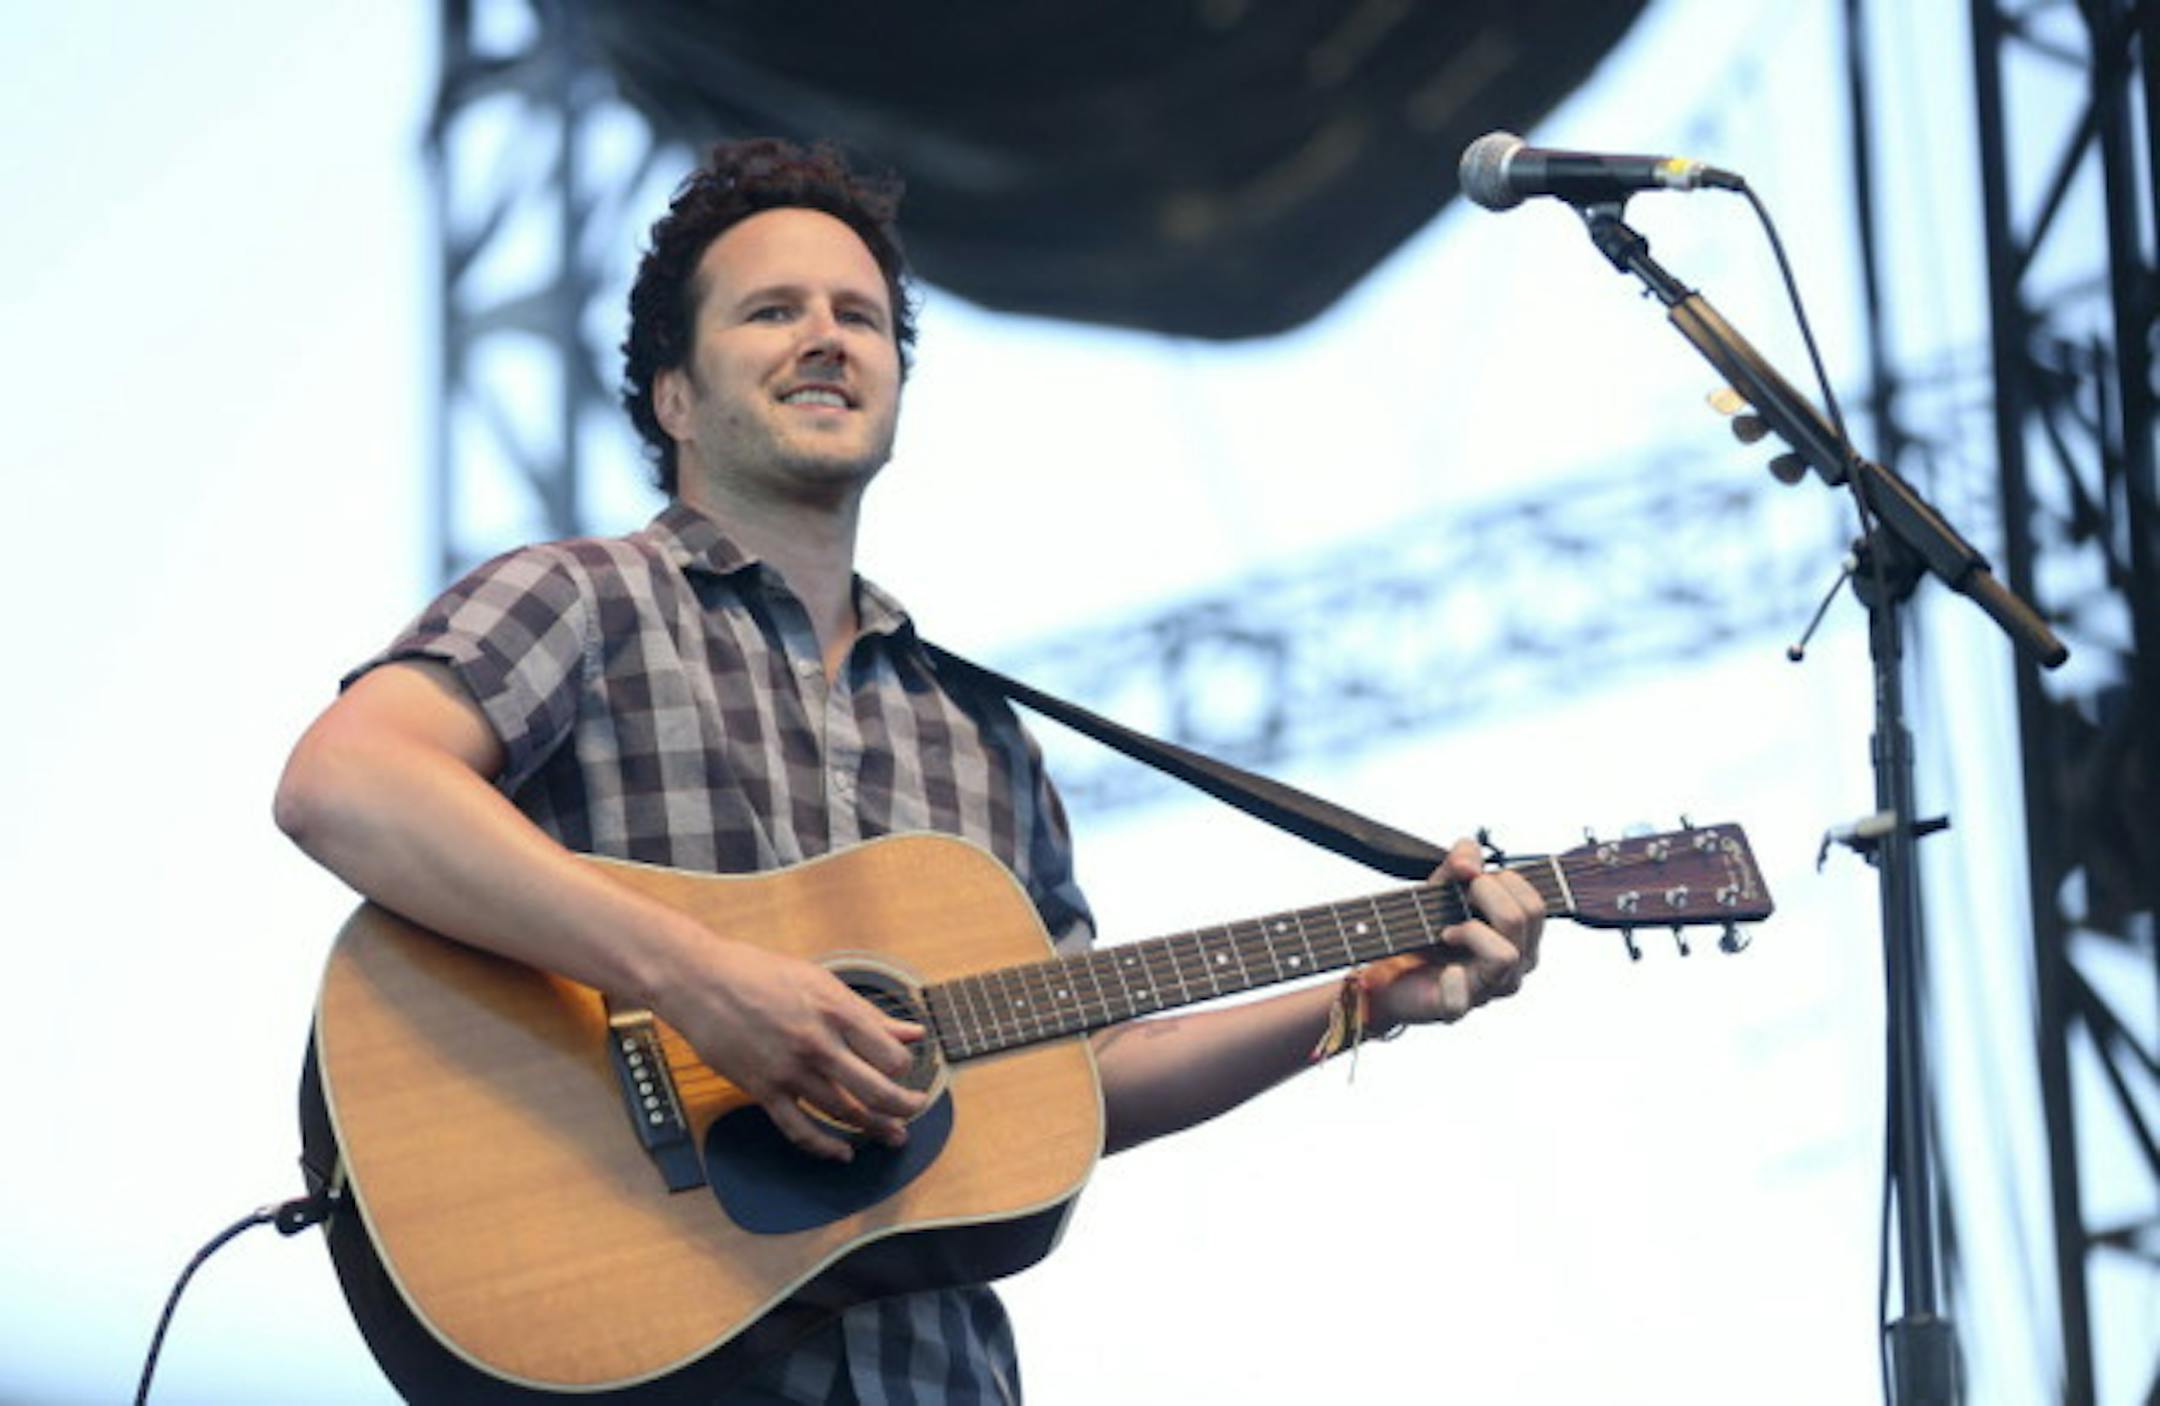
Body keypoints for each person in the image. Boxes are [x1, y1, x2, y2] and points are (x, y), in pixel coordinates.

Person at [275, 137, 1544, 1405]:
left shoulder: (983, 734)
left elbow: (1077, 1072)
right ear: (672, 394)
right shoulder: (585, 599)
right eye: (772, 311)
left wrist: (1367, 996)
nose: (826, 338)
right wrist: (704, 982)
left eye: (861, 318)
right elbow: (349, 781)